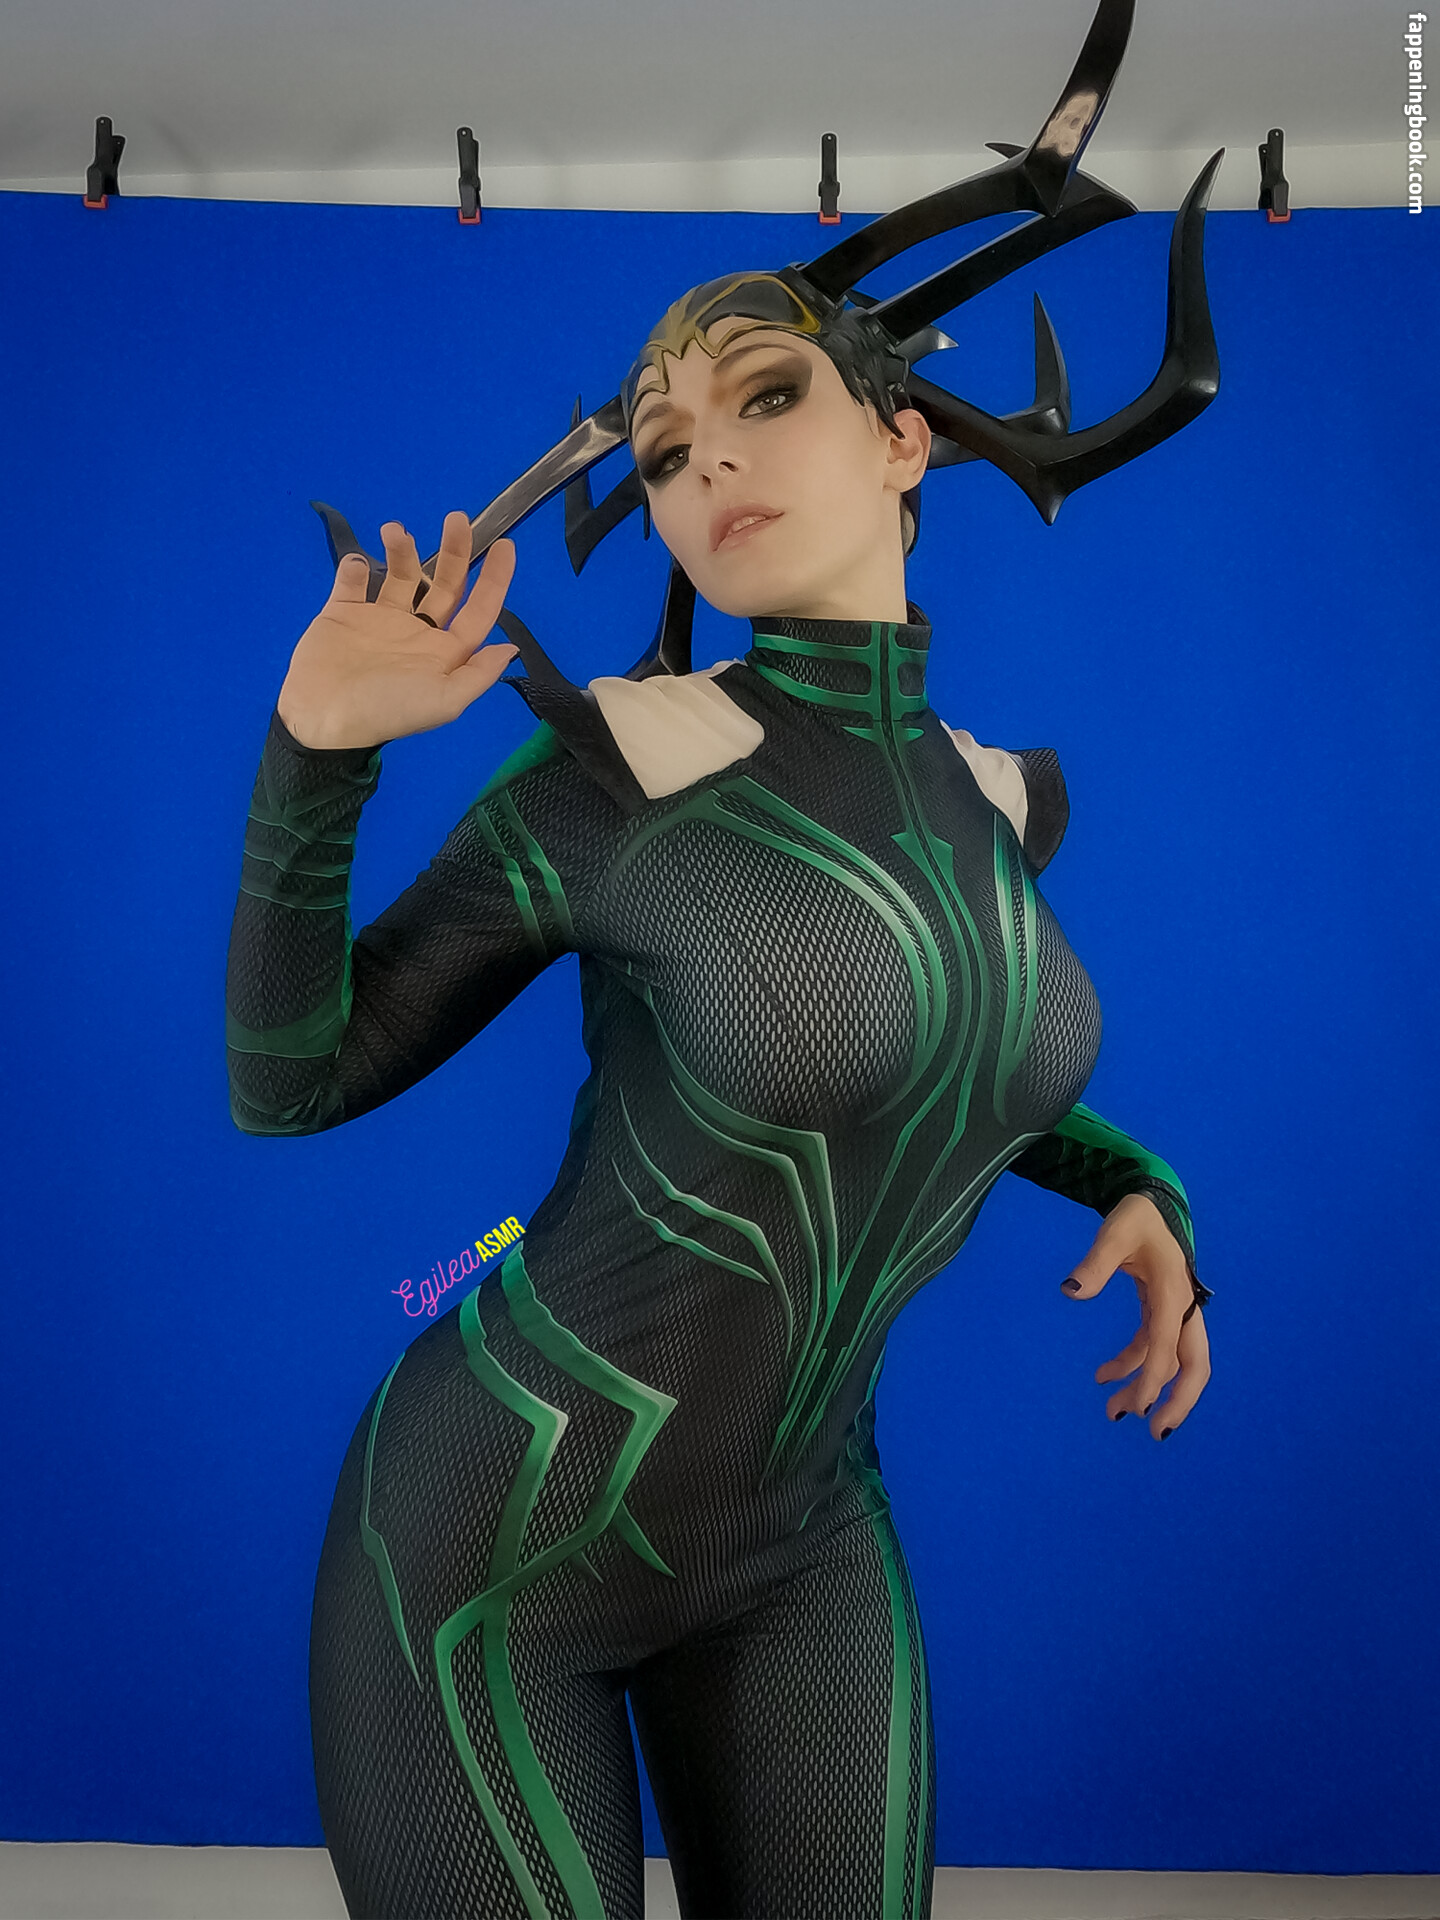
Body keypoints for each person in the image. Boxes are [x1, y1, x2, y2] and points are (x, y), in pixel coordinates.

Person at [224, 7, 1220, 1914]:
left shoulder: (1008, 801)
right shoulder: (620, 768)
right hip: (484, 1559)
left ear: (904, 438)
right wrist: (314, 757)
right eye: (669, 447)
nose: (707, 467)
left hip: (807, 1544)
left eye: (768, 397)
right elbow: (291, 1081)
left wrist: (1139, 1182)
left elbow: (940, 1069)